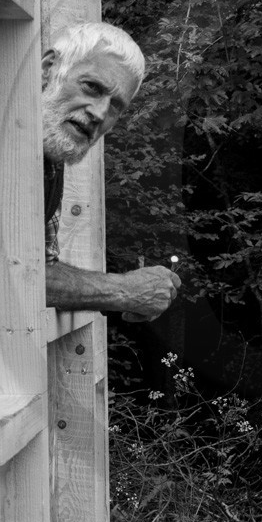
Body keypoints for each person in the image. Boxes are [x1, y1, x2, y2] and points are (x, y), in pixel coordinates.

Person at [42, 22, 180, 320]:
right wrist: (124, 291)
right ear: (48, 69)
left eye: (116, 105)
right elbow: (0, 268)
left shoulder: (51, 156)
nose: (99, 113)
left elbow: (37, 268)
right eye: (92, 87)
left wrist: (127, 293)